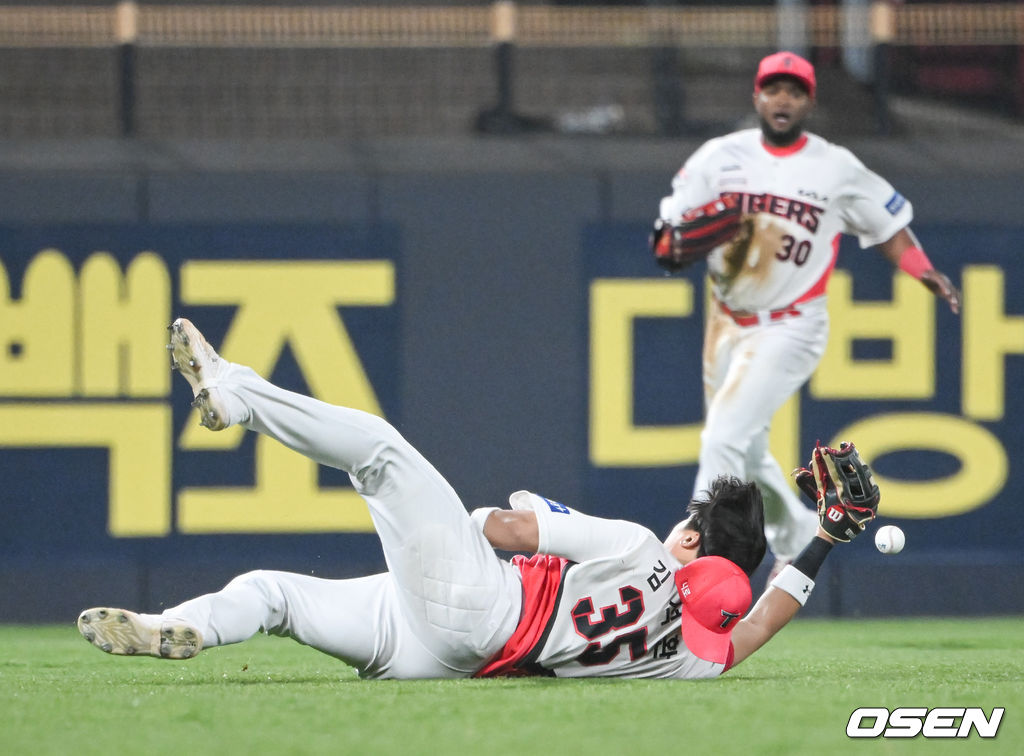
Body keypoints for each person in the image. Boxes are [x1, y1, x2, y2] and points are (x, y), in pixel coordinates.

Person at [77, 318, 851, 680]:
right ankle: (171, 628)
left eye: (689, 525)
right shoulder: (685, 657)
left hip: (483, 602)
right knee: (273, 595)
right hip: (451, 657)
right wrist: (822, 541)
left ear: (690, 540)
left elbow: (509, 528)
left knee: (380, 452)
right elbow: (752, 629)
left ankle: (236, 393)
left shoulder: (639, 547)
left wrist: (468, 522)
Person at [652, 51, 960, 576]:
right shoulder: (719, 157)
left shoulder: (834, 166)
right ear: (757, 96)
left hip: (792, 324)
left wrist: (921, 267)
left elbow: (887, 225)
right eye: (774, 89)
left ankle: (695, 560)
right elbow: (670, 229)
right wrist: (668, 242)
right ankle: (793, 534)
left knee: (723, 437)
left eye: (794, 91)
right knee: (745, 451)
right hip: (726, 321)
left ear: (809, 102)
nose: (783, 99)